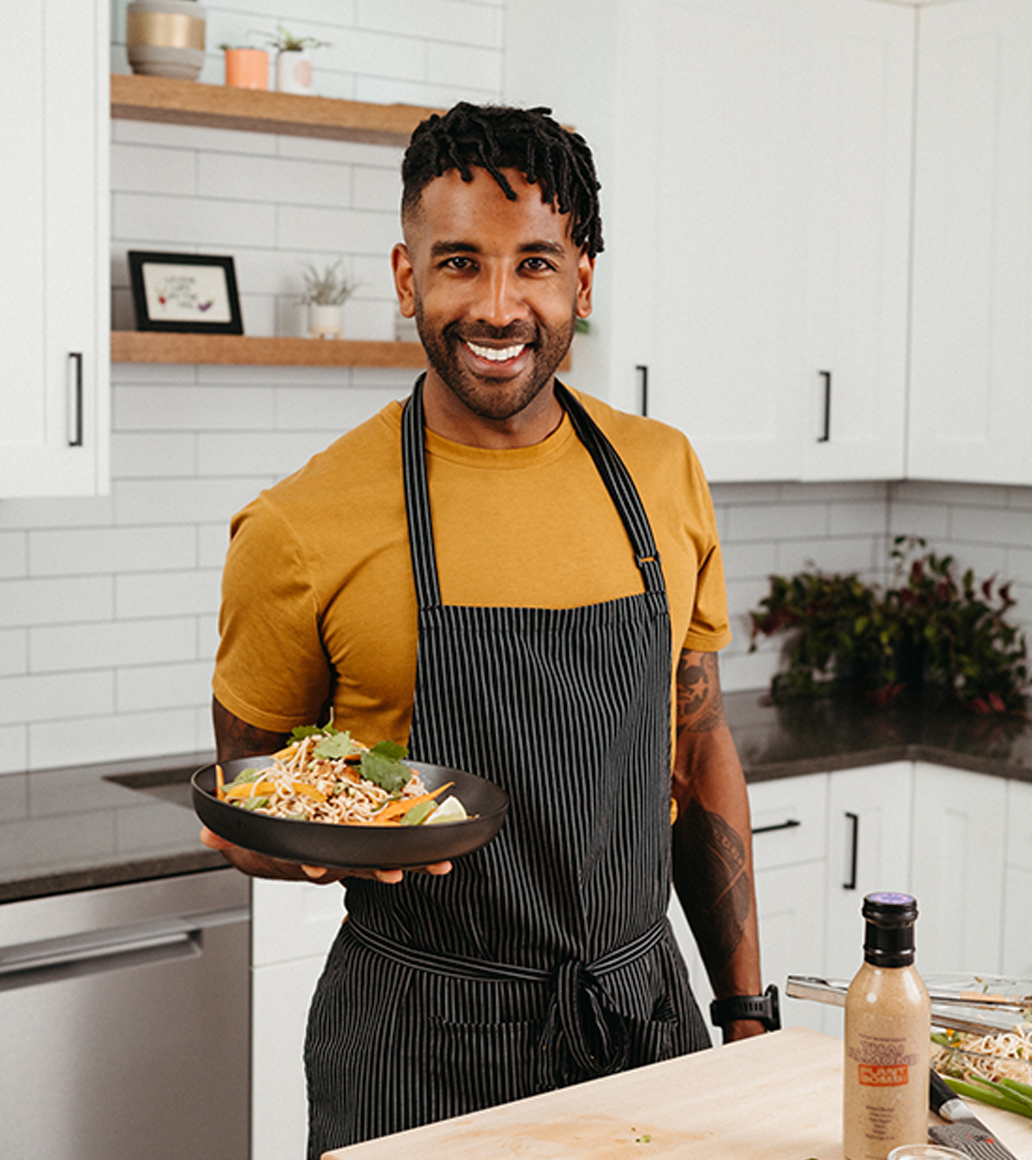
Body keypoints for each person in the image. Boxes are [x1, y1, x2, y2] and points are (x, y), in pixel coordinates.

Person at [203, 101, 770, 1159]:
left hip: (645, 1020)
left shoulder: (661, 472)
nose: (499, 305)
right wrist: (310, 852)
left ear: (582, 284)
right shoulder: (298, 524)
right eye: (460, 262)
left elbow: (696, 745)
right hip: (419, 1047)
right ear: (408, 276)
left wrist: (744, 1006)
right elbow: (250, 796)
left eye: (536, 265)